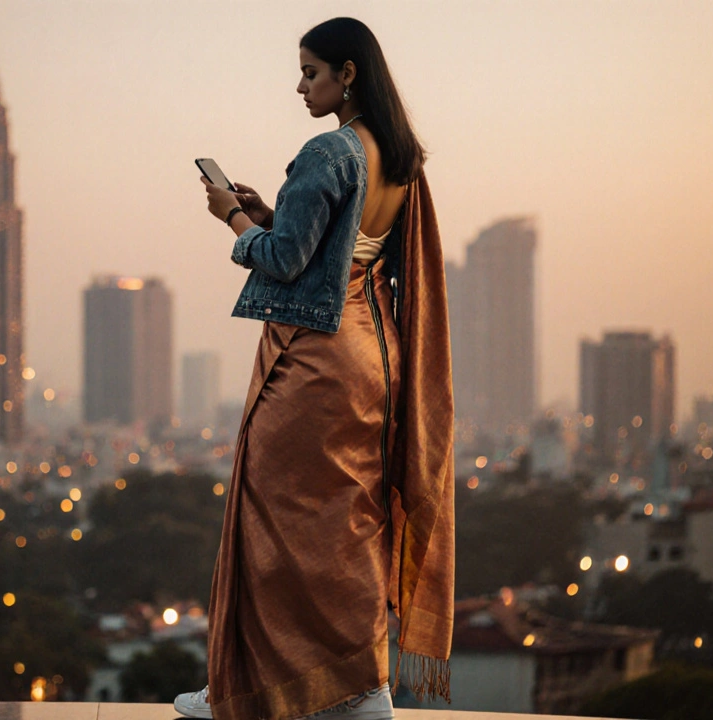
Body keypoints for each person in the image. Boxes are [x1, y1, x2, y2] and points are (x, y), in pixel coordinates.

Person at [178, 17, 455, 720]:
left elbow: (284, 260)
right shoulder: (397, 155)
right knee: (351, 523)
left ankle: (246, 691)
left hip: (316, 363)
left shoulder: (328, 151)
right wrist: (273, 214)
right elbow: (339, 246)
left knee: (274, 523)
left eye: (310, 72)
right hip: (375, 356)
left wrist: (233, 220)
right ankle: (363, 689)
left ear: (347, 74)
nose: (300, 87)